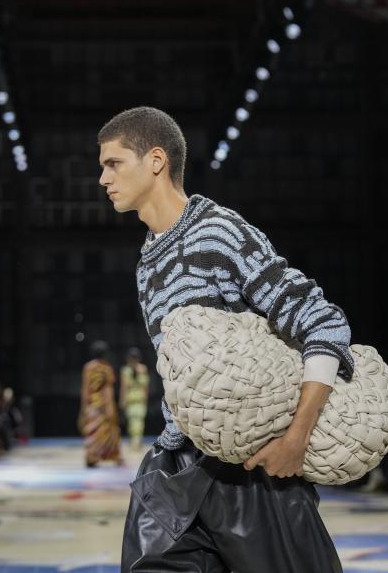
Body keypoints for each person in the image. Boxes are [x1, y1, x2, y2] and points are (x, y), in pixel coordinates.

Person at [98, 106, 352, 572]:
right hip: (175, 465)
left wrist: (297, 439)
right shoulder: (148, 260)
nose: (102, 178)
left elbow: (323, 323)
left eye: (112, 163)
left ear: (155, 161)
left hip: (249, 476)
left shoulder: (218, 233)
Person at [78, 342, 122, 467]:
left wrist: (83, 408)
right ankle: (114, 456)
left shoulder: (88, 367)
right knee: (109, 430)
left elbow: (85, 388)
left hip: (92, 404)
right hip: (104, 403)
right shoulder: (107, 368)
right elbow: (108, 389)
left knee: (93, 431)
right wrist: (110, 408)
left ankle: (91, 457)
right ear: (105, 354)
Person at [119, 348, 149, 451]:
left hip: (131, 400)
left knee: (133, 422)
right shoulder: (143, 369)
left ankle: (135, 442)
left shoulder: (125, 370)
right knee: (138, 422)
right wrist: (146, 400)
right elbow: (145, 387)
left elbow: (124, 388)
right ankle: (136, 442)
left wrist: (122, 401)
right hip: (139, 400)